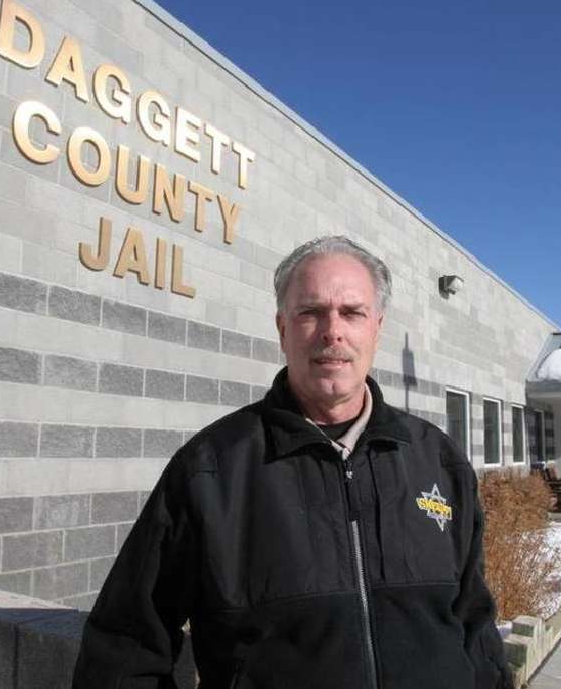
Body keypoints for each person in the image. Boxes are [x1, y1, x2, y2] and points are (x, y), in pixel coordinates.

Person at [72, 236, 512, 689]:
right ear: (282, 329)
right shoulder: (211, 470)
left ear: (376, 329)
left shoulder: (437, 460)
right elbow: (124, 648)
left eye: (352, 313)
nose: (332, 332)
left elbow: (474, 627)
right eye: (311, 312)